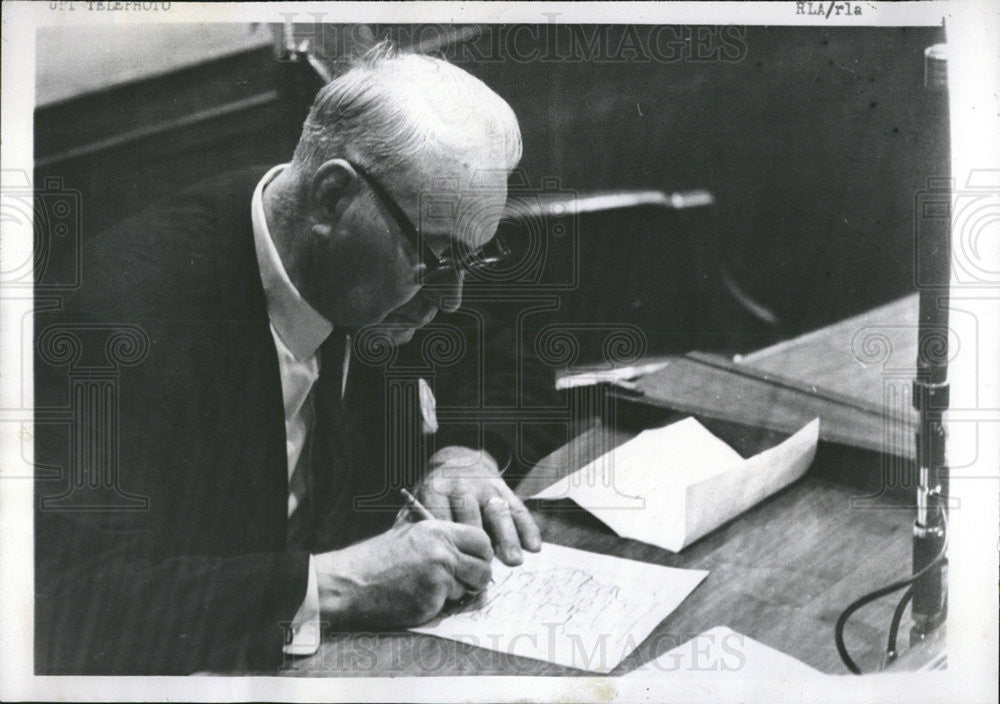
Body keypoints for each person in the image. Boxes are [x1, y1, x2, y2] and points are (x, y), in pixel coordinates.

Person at [34, 43, 559, 674]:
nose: (451, 300)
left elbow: (507, 348)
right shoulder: (115, 325)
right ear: (333, 197)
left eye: (468, 261)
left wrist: (469, 453)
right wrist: (338, 584)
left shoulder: (411, 244)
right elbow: (70, 607)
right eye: (438, 260)